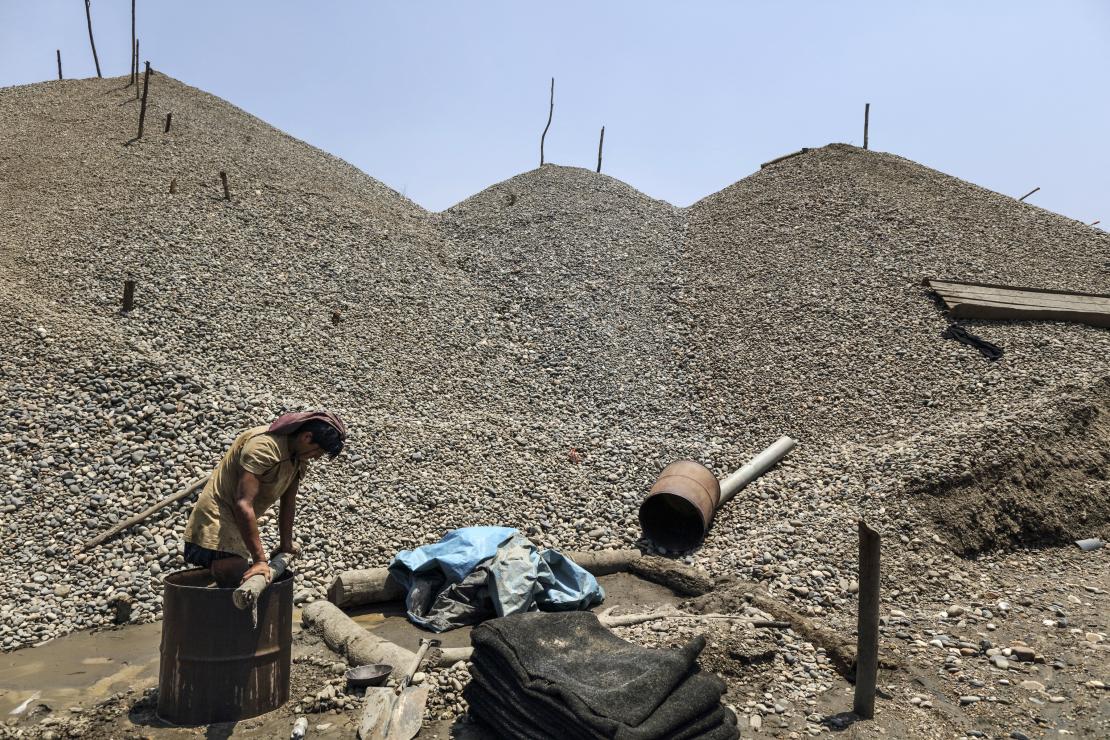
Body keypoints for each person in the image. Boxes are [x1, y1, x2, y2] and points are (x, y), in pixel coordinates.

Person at [182, 411, 346, 587]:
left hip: (238, 520)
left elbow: (288, 502)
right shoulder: (263, 447)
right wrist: (260, 560)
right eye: (318, 451)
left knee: (236, 577)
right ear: (307, 437)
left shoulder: (298, 457)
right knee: (235, 573)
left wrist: (286, 545)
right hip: (217, 516)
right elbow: (243, 503)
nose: (316, 457)